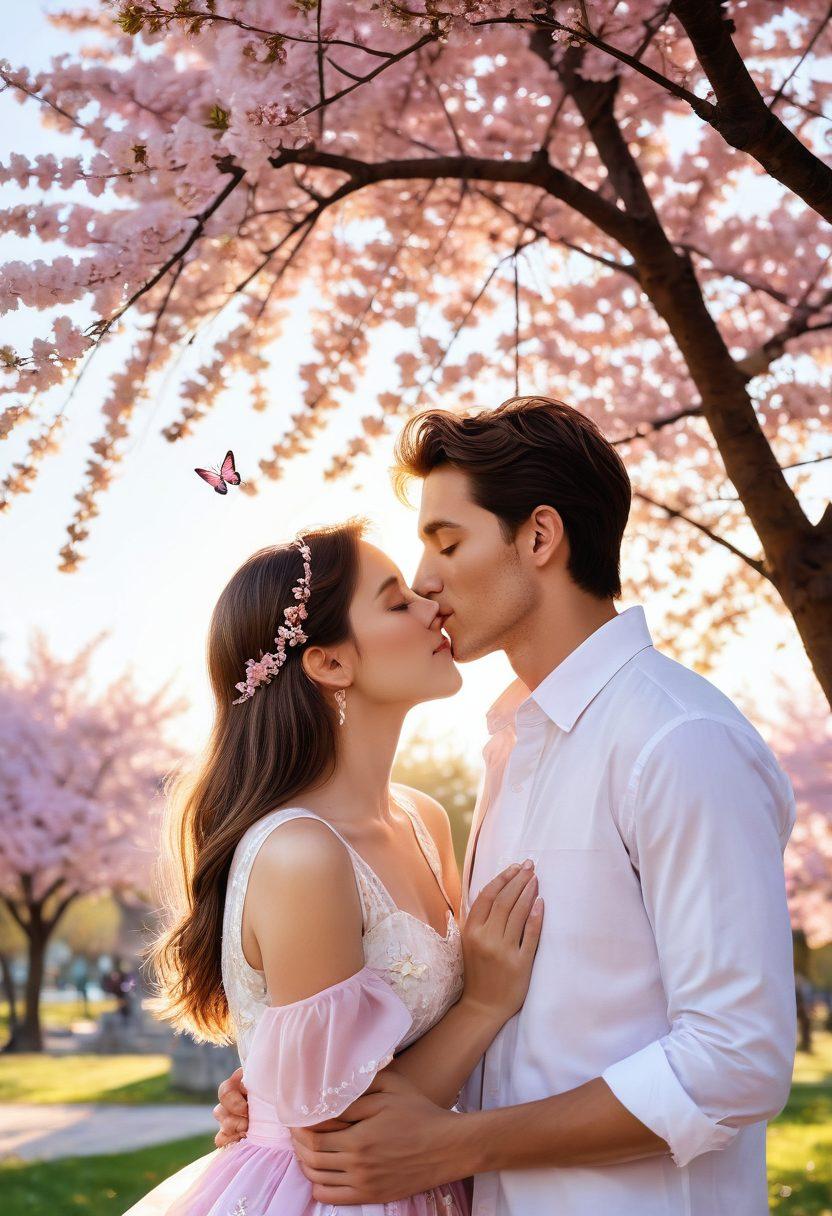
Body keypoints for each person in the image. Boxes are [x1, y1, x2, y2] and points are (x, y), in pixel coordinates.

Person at [216, 396, 798, 1216]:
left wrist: (459, 1143)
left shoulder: (678, 741)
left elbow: (738, 1061)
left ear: (539, 537)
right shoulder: (511, 747)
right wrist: (289, 1081)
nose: (424, 581)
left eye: (447, 543)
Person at [122, 519, 543, 1216]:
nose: (431, 604)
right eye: (396, 600)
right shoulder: (302, 856)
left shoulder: (422, 817)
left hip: (434, 1180)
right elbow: (341, 1132)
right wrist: (488, 1002)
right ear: (329, 663)